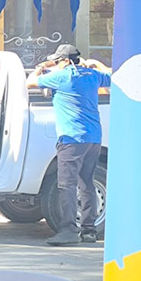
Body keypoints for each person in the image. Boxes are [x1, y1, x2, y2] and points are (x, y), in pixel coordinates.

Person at [26, 44, 111, 245]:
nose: (55, 64)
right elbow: (112, 76)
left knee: (66, 185)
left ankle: (68, 231)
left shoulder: (62, 77)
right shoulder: (92, 76)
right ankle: (89, 230)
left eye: (57, 61)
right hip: (93, 138)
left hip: (71, 139)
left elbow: (29, 83)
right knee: (87, 183)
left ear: (65, 61)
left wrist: (40, 67)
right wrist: (94, 64)